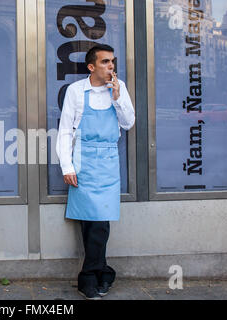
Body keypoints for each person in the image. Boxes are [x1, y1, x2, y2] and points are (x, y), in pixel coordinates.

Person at [56, 44, 135, 300]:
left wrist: (118, 98)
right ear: (91, 67)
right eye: (105, 62)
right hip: (83, 160)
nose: (110, 66)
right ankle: (103, 272)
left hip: (108, 161)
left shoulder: (119, 88)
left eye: (112, 61)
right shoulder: (76, 91)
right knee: (88, 222)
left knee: (100, 221)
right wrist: (67, 166)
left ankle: (88, 277)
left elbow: (128, 123)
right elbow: (66, 129)